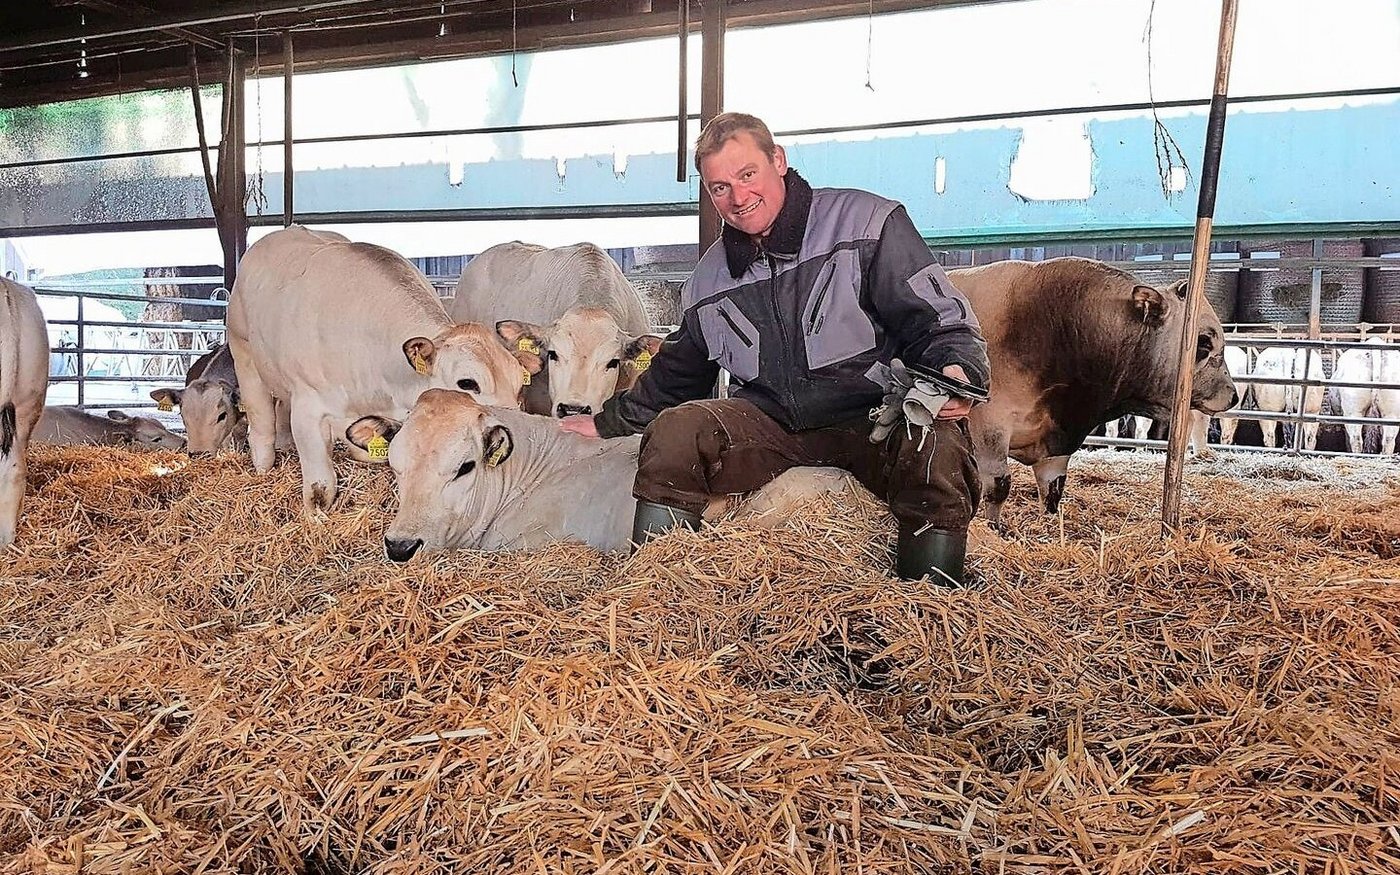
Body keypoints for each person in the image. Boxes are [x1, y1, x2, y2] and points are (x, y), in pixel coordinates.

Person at [560, 112, 989, 583]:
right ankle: (656, 593)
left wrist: (956, 370)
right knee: (675, 431)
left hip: (872, 417)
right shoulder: (710, 278)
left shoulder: (866, 222)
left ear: (778, 161)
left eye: (747, 175)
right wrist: (603, 423)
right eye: (719, 187)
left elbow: (939, 318)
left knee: (937, 442)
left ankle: (930, 601)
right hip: (774, 426)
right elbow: (675, 376)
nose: (739, 198)